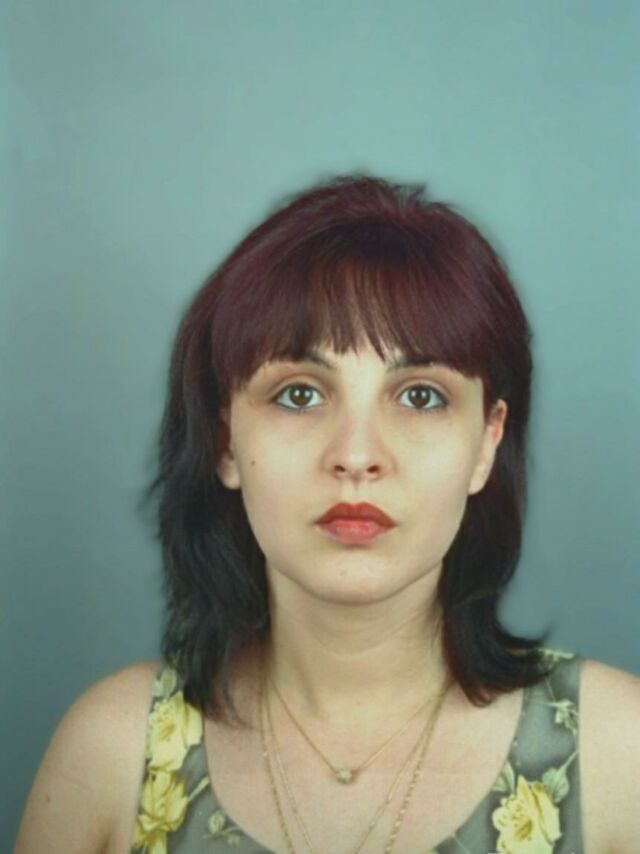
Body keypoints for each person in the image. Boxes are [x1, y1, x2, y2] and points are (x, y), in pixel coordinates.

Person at [15, 174, 639, 854]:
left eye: (421, 396)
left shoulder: (617, 754)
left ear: (486, 444)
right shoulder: (111, 755)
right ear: (226, 441)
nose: (356, 456)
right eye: (300, 394)